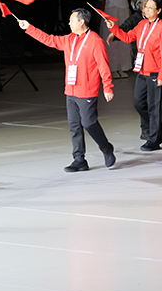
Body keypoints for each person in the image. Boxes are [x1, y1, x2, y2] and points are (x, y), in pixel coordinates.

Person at [19, 9, 116, 172]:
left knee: (89, 123)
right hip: (70, 90)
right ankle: (79, 160)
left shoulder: (95, 41)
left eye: (72, 20)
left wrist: (108, 87)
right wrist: (29, 28)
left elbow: (103, 66)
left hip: (87, 90)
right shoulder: (69, 39)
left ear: (81, 22)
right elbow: (48, 40)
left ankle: (106, 148)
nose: (69, 23)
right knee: (74, 126)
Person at [106, 0, 162, 151]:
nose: (146, 10)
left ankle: (154, 140)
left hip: (155, 72)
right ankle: (157, 128)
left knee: (154, 106)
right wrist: (113, 28)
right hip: (142, 70)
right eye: (145, 7)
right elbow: (128, 37)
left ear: (158, 11)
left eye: (150, 8)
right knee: (138, 103)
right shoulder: (142, 24)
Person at [94, 0, 160, 78]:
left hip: (123, 8)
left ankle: (123, 67)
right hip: (110, 10)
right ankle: (112, 68)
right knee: (111, 38)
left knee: (123, 36)